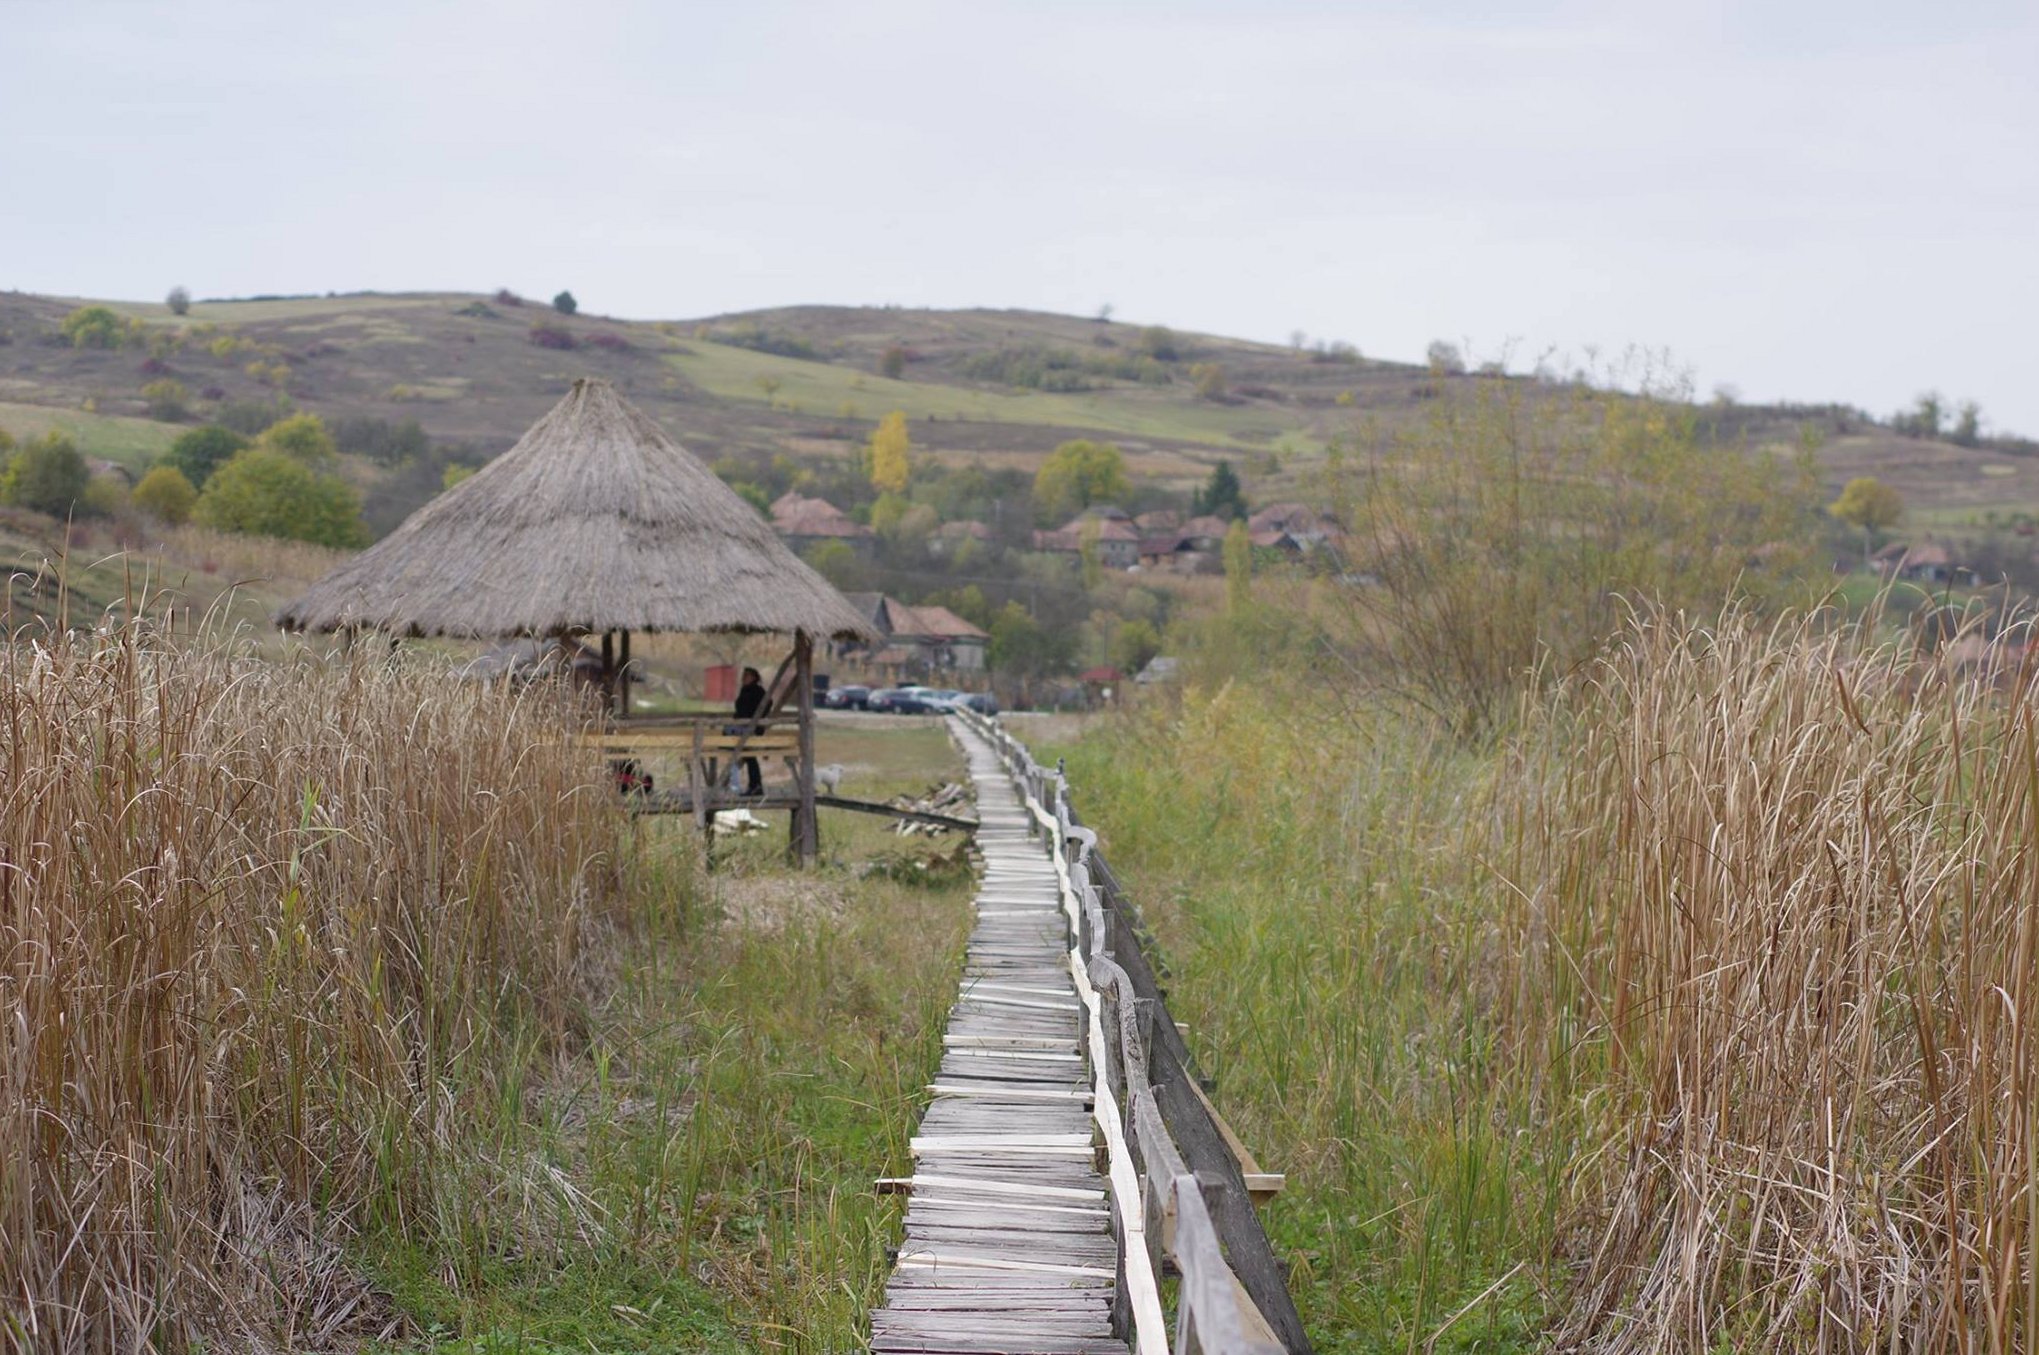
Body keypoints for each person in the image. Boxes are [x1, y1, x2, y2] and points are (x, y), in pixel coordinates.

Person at [732, 666, 767, 795]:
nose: (743, 678)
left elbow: (767, 704)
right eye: (743, 675)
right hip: (743, 726)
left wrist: (755, 719)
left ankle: (755, 786)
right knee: (747, 756)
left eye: (746, 675)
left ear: (753, 677)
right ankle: (755, 785)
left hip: (751, 728)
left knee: (749, 756)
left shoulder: (758, 691)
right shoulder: (745, 690)